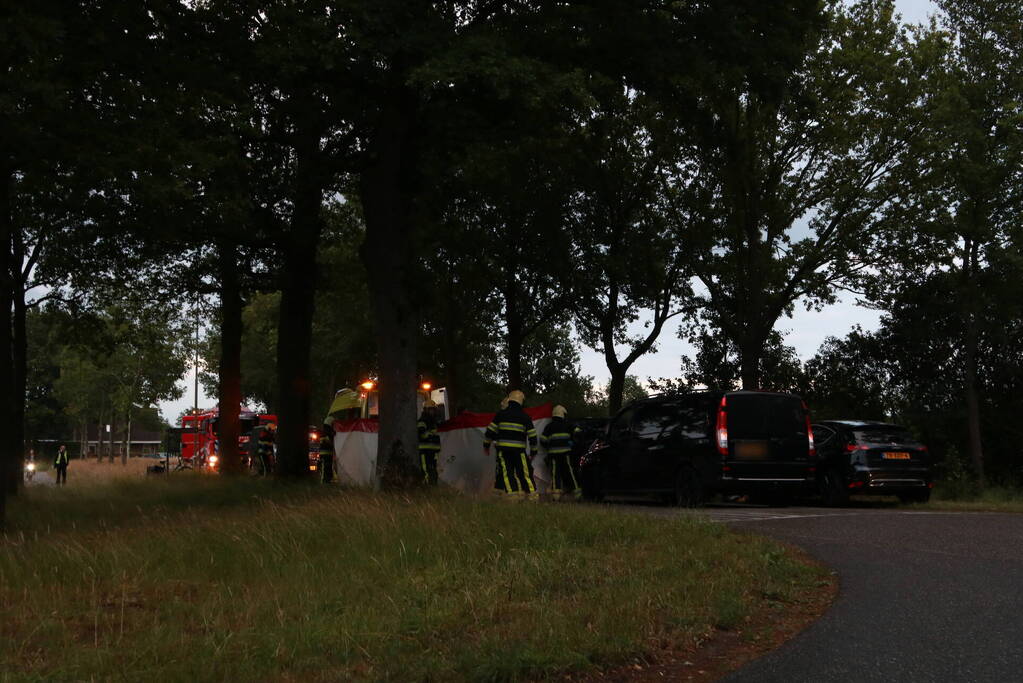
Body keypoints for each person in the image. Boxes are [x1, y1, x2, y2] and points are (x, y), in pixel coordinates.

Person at [484, 390, 538, 499]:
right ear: (521, 401)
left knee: (507, 474)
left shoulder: (500, 415)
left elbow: (489, 432)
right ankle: (533, 498)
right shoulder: (525, 417)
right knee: (524, 474)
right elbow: (533, 436)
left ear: (510, 400)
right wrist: (533, 452)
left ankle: (513, 497)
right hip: (519, 452)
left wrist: (486, 446)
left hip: (503, 451)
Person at [541, 405, 581, 500]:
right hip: (566, 454)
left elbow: (543, 440)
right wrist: (572, 442)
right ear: (563, 414)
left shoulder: (549, 426)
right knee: (570, 473)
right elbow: (578, 432)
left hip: (553, 455)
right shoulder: (567, 425)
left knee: (556, 475)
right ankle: (577, 493)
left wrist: (549, 447)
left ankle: (556, 496)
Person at [417, 399, 442, 485]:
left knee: (433, 470)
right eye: (431, 409)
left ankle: (433, 487)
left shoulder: (433, 422)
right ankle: (427, 488)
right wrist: (432, 435)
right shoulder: (422, 421)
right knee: (426, 471)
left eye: (434, 410)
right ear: (426, 410)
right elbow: (421, 434)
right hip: (424, 451)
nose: (433, 412)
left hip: (433, 452)